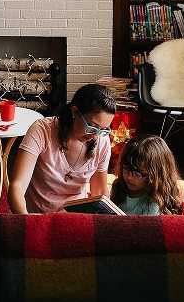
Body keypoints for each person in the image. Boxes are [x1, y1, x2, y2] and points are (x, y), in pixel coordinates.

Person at [8, 83, 116, 214]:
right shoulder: (42, 130)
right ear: (75, 111)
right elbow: (17, 187)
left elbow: (99, 194)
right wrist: (26, 225)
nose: (95, 136)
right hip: (37, 217)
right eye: (92, 127)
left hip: (75, 218)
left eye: (103, 130)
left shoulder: (101, 141)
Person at [110, 134, 183, 215]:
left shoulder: (153, 203)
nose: (129, 177)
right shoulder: (120, 188)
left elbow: (146, 227)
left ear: (156, 176)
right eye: (125, 168)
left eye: (137, 174)